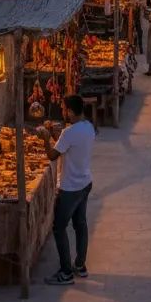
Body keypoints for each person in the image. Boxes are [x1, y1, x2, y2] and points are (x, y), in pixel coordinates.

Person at [41, 94, 96, 286]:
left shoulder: (69, 133)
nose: (63, 112)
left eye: (64, 109)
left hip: (70, 187)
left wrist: (46, 138)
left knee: (59, 227)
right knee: (80, 224)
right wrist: (57, 134)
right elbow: (69, 144)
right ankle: (80, 264)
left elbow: (52, 155)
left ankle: (65, 272)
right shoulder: (89, 127)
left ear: (70, 111)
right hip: (85, 182)